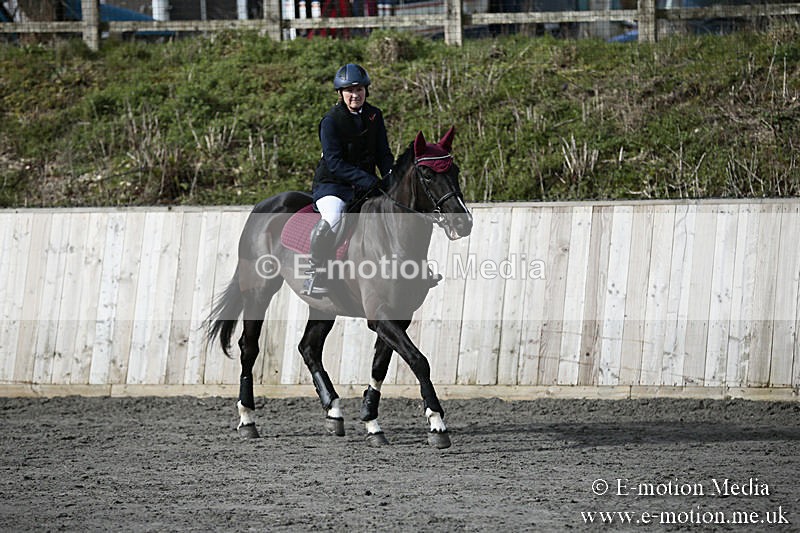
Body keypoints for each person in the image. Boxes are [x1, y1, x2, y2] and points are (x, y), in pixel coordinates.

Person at [303, 63, 394, 297]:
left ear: (366, 91)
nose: (355, 95)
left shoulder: (375, 115)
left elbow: (383, 153)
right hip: (333, 186)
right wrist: (369, 180)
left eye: (360, 89)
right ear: (341, 94)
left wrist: (392, 178)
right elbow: (334, 163)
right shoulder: (331, 121)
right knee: (333, 217)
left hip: (365, 185)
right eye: (350, 91)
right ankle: (315, 272)